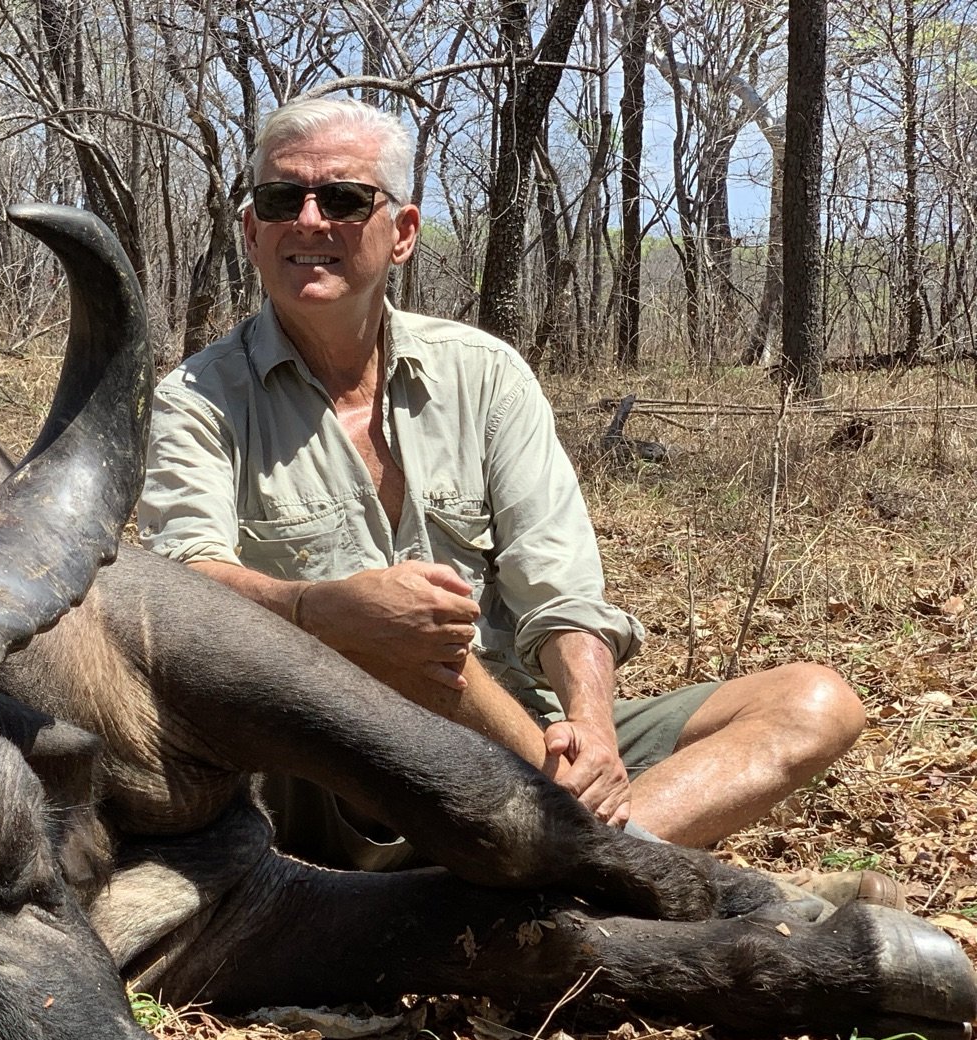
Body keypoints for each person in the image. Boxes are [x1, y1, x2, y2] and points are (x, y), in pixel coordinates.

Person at [136, 96, 884, 896]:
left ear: (405, 232)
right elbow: (181, 586)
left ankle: (548, 868)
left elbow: (561, 593)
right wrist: (322, 610)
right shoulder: (198, 398)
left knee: (817, 701)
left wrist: (591, 731)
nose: (309, 221)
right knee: (407, 639)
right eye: (282, 199)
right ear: (253, 231)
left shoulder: (484, 374)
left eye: (345, 199)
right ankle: (627, 873)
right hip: (331, 761)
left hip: (516, 739)